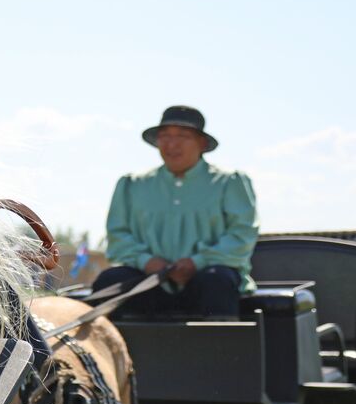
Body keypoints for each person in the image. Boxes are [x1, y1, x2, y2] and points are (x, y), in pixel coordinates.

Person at [92, 105, 258, 317]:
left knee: (217, 279)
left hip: (208, 281)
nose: (172, 144)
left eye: (183, 136)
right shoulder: (132, 184)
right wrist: (147, 261)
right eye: (165, 136)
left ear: (202, 143)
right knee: (110, 280)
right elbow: (118, 236)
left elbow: (242, 235)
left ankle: (223, 347)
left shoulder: (229, 182)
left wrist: (196, 262)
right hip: (149, 281)